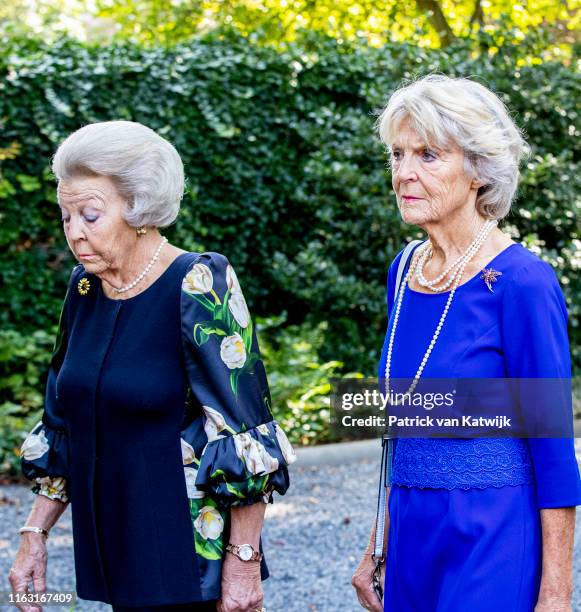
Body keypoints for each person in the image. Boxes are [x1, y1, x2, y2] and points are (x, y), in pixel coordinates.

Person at [8, 120, 297, 612]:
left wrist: (244, 561)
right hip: (113, 549)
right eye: (65, 216)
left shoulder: (198, 281)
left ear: (138, 209)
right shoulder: (84, 287)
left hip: (184, 554)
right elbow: (64, 421)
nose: (75, 233)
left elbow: (244, 429)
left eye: (91, 215)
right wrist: (34, 533)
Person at [351, 75, 580, 611]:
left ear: (477, 169)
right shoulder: (404, 272)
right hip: (411, 537)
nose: (404, 172)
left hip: (491, 537)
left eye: (429, 155)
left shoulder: (523, 283)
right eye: (398, 153)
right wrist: (377, 544)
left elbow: (553, 451)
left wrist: (555, 595)